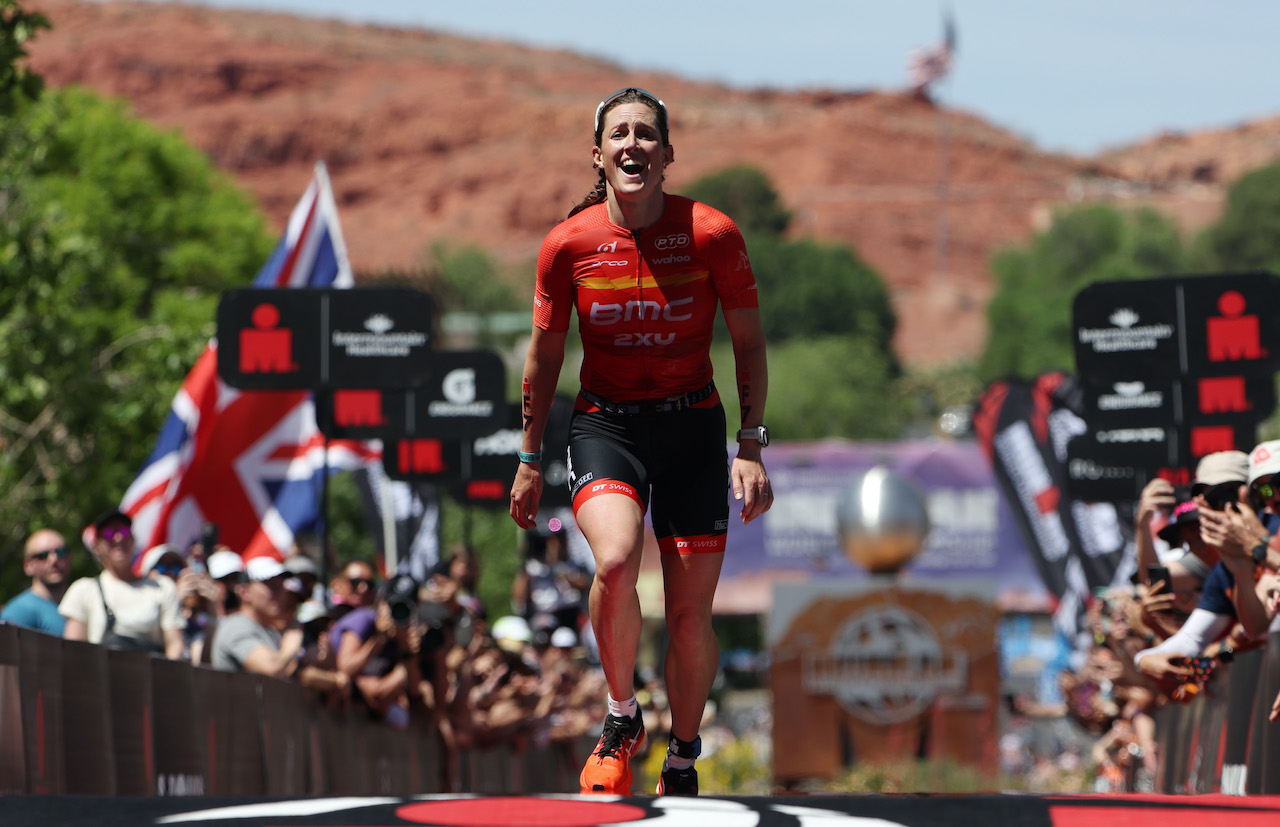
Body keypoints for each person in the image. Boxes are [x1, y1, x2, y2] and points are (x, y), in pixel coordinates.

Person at [508, 87, 773, 797]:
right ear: (598, 154)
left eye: (647, 134)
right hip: (607, 423)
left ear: (667, 153)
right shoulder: (569, 244)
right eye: (618, 134)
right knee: (618, 558)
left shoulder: (712, 233)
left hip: (692, 427)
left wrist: (750, 445)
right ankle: (622, 715)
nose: (633, 144)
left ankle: (682, 754)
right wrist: (529, 457)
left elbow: (748, 344)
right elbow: (542, 359)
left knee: (688, 622)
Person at [60, 509, 185, 658]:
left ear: (133, 540)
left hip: (153, 678)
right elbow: (74, 652)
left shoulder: (162, 588)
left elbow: (175, 645)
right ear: (97, 546)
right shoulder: (83, 590)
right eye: (109, 533)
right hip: (102, 679)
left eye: (124, 531)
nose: (118, 538)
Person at [210, 556, 304, 676]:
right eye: (273, 587)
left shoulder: (269, 630)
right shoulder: (236, 626)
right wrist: (293, 640)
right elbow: (272, 667)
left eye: (282, 588)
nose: (282, 595)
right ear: (245, 592)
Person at [1, 529, 72, 635]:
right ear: (28, 566)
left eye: (60, 552)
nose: (54, 560)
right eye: (43, 556)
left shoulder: (78, 605)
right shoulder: (21, 611)